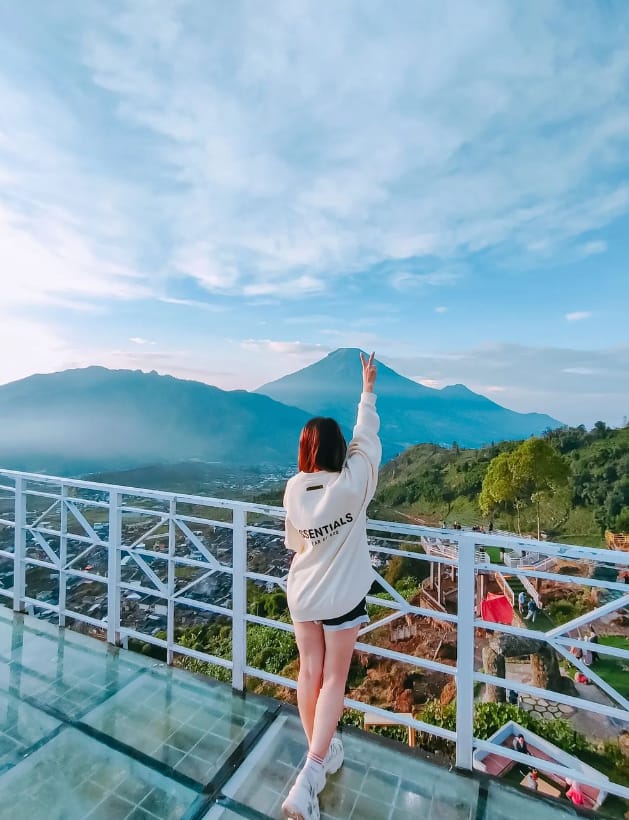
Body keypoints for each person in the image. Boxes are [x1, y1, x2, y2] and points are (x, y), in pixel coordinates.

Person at [281, 352, 381, 820]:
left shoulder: (293, 489)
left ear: (306, 451)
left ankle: (318, 758)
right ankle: (310, 774)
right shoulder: (352, 485)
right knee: (335, 677)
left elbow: (296, 542)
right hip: (342, 596)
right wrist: (367, 391)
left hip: (302, 594)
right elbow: (367, 442)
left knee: (309, 674)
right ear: (339, 452)